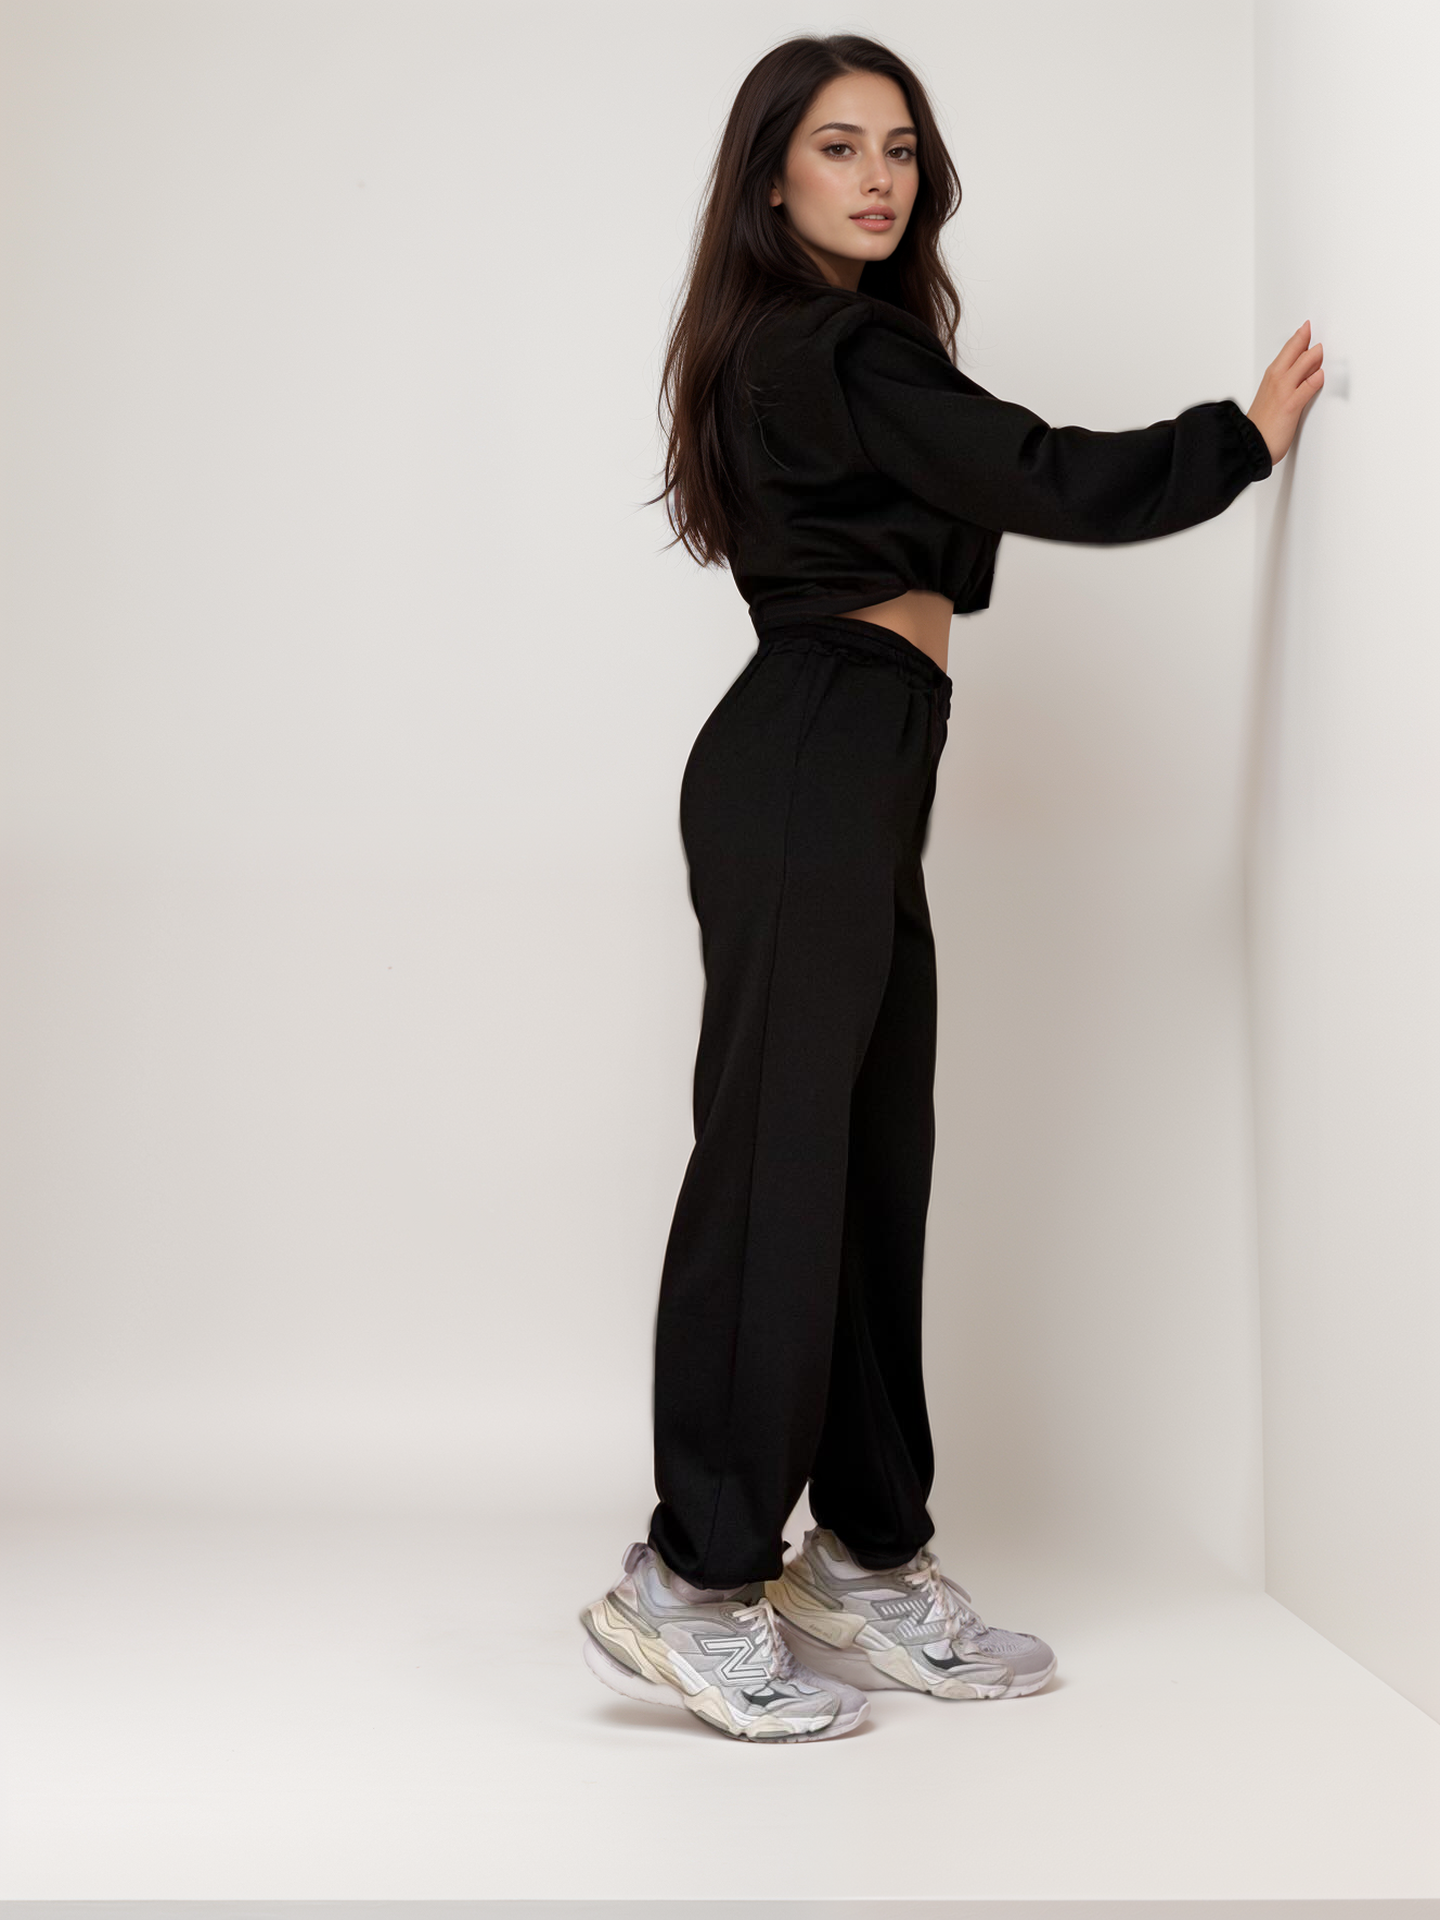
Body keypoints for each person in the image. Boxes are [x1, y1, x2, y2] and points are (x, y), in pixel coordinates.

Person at [579, 33, 1323, 1744]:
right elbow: (1038, 472)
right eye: (839, 146)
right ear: (773, 176)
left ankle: (860, 1555)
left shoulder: (841, 347)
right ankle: (691, 1579)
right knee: (779, 1172)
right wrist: (1237, 440)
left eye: (900, 147)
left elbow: (965, 493)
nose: (878, 176)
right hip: (810, 761)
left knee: (867, 1169)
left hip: (857, 768)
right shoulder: (824, 341)